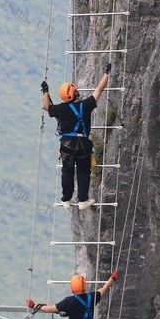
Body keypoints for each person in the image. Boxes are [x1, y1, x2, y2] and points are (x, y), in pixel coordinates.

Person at [41, 64, 111, 210]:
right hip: (82, 144)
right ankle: (82, 200)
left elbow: (47, 106)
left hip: (66, 144)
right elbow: (99, 90)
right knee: (83, 171)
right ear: (74, 93)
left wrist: (45, 91)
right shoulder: (85, 105)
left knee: (67, 171)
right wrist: (106, 73)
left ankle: (66, 199)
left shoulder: (60, 109)